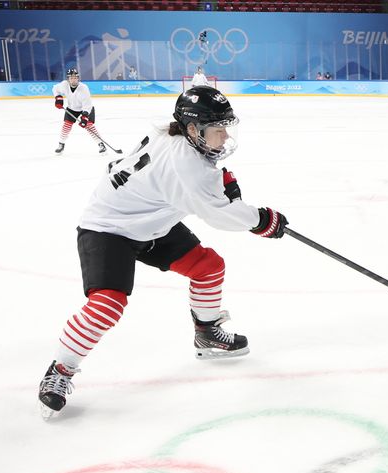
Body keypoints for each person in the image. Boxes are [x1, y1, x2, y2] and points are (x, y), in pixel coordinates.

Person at [36, 86, 289, 419]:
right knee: (108, 304)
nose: (225, 135)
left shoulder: (172, 137)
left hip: (148, 221)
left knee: (208, 267)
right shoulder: (187, 166)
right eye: (218, 128)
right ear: (194, 130)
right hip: (109, 227)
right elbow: (219, 214)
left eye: (227, 125)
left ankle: (206, 333)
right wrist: (262, 220)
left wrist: (224, 184)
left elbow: (197, 186)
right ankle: (60, 370)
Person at [53, 68, 109, 155]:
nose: (73, 79)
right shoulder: (64, 85)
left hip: (85, 109)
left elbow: (87, 105)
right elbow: (55, 89)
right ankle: (61, 144)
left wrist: (85, 117)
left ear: (78, 78)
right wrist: (58, 98)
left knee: (89, 126)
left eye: (75, 77)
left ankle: (101, 144)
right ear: (68, 79)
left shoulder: (83, 88)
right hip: (72, 108)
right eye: (71, 78)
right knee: (66, 126)